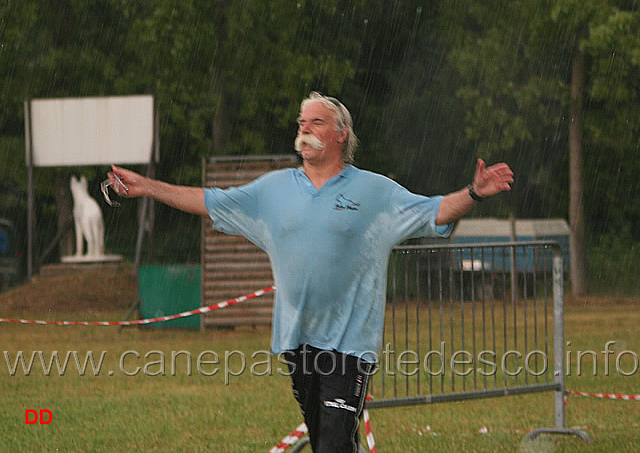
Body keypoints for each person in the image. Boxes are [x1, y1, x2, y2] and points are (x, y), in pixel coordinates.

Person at [108, 92, 513, 452]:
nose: (304, 128)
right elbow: (209, 200)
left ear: (340, 134)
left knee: (334, 440)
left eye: (316, 121)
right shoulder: (273, 190)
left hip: (350, 345)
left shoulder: (375, 191)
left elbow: (435, 211)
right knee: (328, 443)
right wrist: (147, 186)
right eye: (302, 121)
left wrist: (475, 192)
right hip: (297, 342)